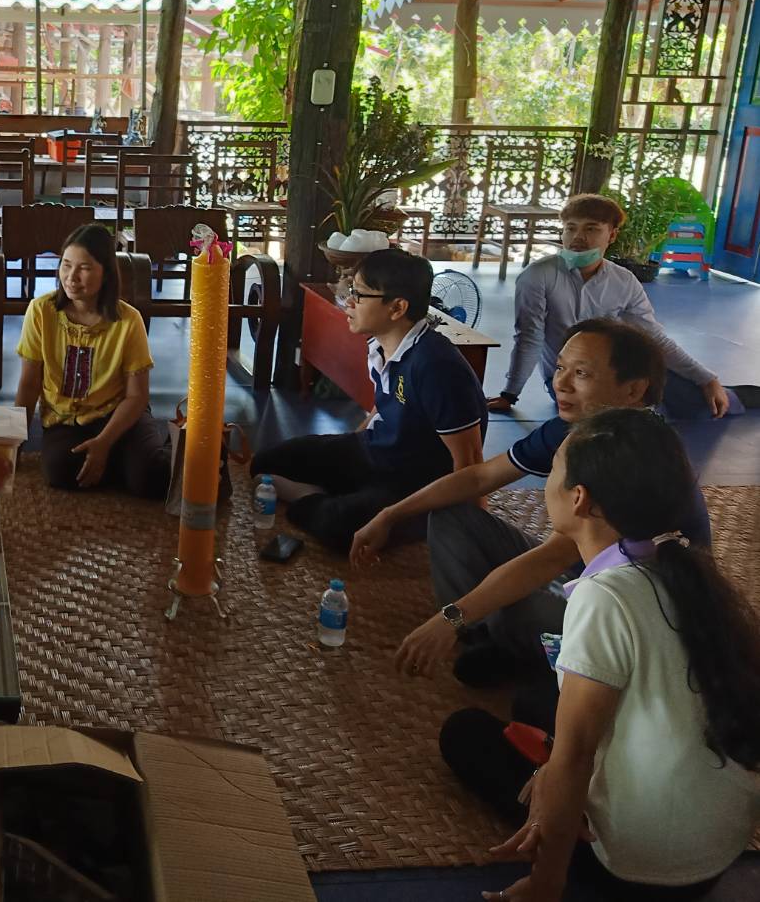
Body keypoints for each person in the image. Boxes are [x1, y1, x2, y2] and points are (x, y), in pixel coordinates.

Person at [440, 408, 760, 902]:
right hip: (718, 849)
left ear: (579, 498)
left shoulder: (604, 598)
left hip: (642, 868)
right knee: (532, 705)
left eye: (554, 470)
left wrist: (546, 881)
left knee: (465, 734)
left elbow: (574, 758)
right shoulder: (683, 565)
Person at [354, 319, 714, 689]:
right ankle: (485, 639)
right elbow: (480, 478)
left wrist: (453, 615)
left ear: (634, 390)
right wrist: (391, 514)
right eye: (559, 368)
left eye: (582, 373)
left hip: (630, 611)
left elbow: (553, 555)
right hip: (583, 572)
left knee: (516, 611)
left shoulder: (636, 454)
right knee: (452, 515)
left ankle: (534, 657)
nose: (561, 382)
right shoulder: (579, 425)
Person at [252, 249, 487, 554]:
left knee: (339, 528)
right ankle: (337, 496)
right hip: (375, 452)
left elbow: (470, 463)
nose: (349, 302)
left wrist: (473, 533)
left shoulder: (437, 366)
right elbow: (384, 405)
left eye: (360, 295)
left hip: (414, 482)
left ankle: (326, 501)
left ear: (397, 307)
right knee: (265, 463)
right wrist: (346, 447)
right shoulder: (380, 344)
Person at [488, 193, 759, 421]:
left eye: (591, 228)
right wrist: (510, 394)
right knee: (611, 413)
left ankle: (733, 394)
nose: (577, 237)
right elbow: (529, 336)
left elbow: (653, 337)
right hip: (570, 380)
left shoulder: (623, 280)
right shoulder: (538, 276)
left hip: (616, 369)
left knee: (697, 398)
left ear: (612, 235)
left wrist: (707, 379)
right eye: (570, 228)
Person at [14, 223, 171, 496]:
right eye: (66, 265)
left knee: (152, 479)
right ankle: (126, 461)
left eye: (84, 268)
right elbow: (29, 385)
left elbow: (136, 397)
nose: (71, 277)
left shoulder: (128, 320)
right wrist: (13, 443)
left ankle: (149, 452)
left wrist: (104, 442)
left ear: (106, 273)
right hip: (66, 421)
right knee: (59, 470)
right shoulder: (41, 311)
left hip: (120, 415)